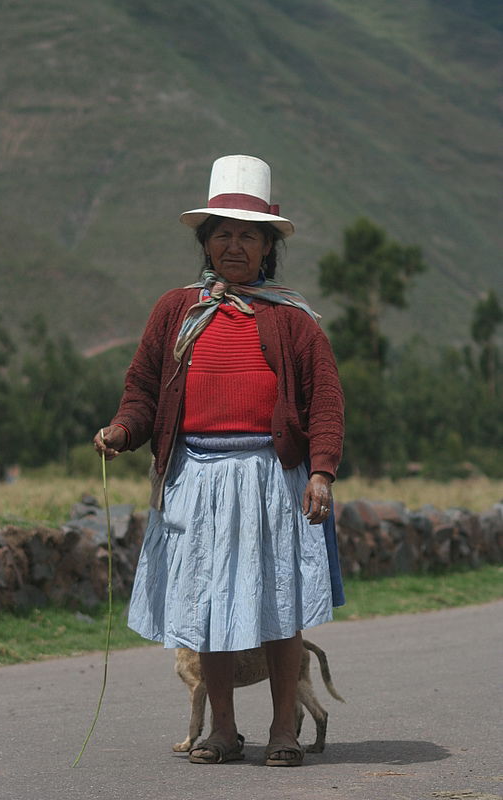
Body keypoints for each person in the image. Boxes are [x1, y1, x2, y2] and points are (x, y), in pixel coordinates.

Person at [93, 154, 345, 767]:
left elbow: (325, 401)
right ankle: (224, 731)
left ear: (267, 248)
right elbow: (144, 389)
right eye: (223, 233)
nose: (235, 245)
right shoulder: (174, 311)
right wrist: (125, 429)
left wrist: (320, 471)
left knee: (280, 607)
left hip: (270, 477)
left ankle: (284, 731)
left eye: (249, 235)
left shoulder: (293, 320)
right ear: (206, 242)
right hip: (195, 477)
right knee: (206, 606)